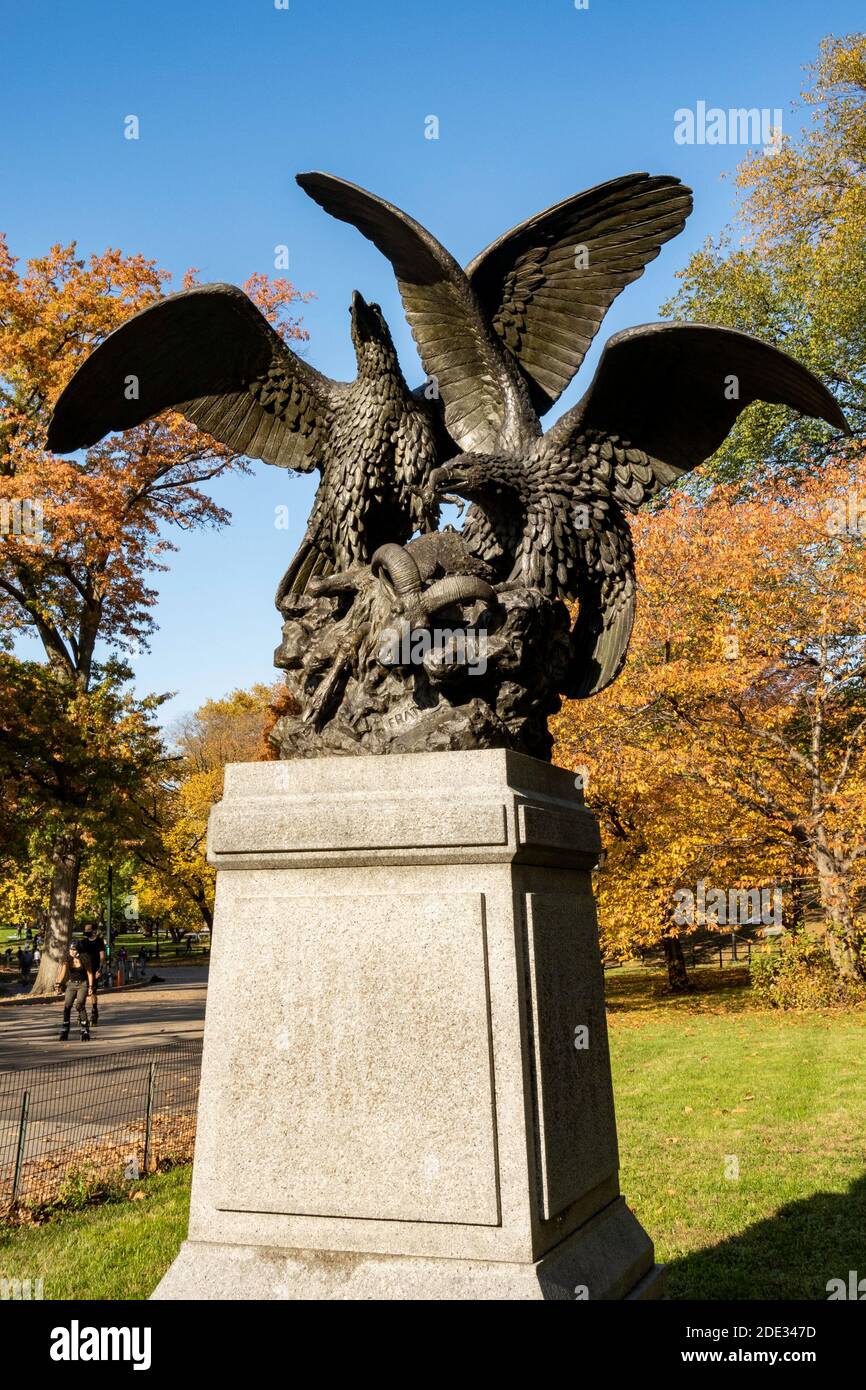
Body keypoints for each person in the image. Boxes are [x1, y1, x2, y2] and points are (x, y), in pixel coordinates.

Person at [56, 940, 94, 1041]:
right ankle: (65, 1027)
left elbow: (90, 974)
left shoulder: (84, 959)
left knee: (80, 1005)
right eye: (70, 949)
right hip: (71, 984)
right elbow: (62, 973)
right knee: (67, 1005)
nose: (71, 951)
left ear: (78, 950)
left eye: (73, 949)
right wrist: (58, 984)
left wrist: (90, 987)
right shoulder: (68, 959)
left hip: (83, 984)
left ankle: (84, 1028)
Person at [79, 921, 106, 1026]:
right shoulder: (83, 942)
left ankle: (94, 1012)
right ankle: (82, 1012)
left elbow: (102, 957)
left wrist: (100, 969)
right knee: (82, 992)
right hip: (84, 970)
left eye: (88, 930)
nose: (86, 932)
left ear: (94, 931)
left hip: (95, 970)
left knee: (92, 991)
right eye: (85, 930)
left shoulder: (99, 942)